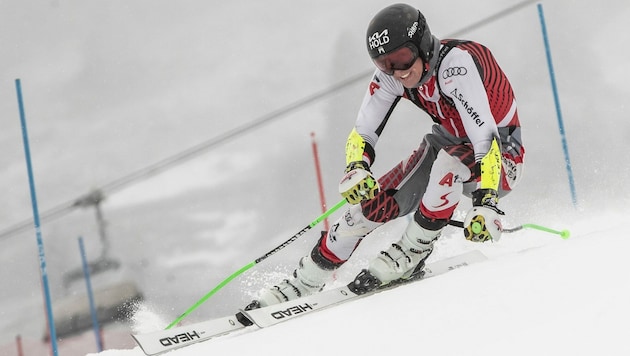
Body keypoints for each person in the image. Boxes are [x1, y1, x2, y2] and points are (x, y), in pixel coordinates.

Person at [247, 3, 525, 307]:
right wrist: (357, 167)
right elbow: (362, 132)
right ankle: (302, 283)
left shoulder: (456, 66)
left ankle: (412, 251)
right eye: (384, 63)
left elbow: (485, 137)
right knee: (364, 209)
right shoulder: (393, 76)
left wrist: (487, 201)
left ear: (422, 44)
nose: (398, 71)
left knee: (447, 164)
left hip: (501, 158)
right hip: (445, 144)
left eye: (402, 58)